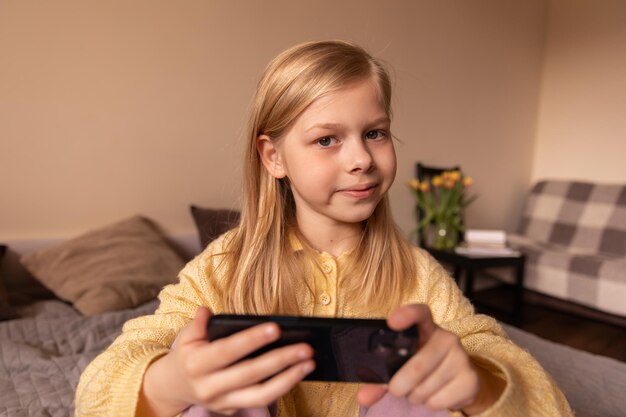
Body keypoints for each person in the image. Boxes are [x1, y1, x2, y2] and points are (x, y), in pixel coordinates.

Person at [75, 40, 572, 417]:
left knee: (416, 396)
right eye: (327, 139)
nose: (361, 159)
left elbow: (538, 391)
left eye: (374, 133)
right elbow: (102, 382)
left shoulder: (420, 276)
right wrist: (171, 384)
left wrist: (478, 381)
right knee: (215, 401)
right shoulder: (224, 267)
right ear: (273, 157)